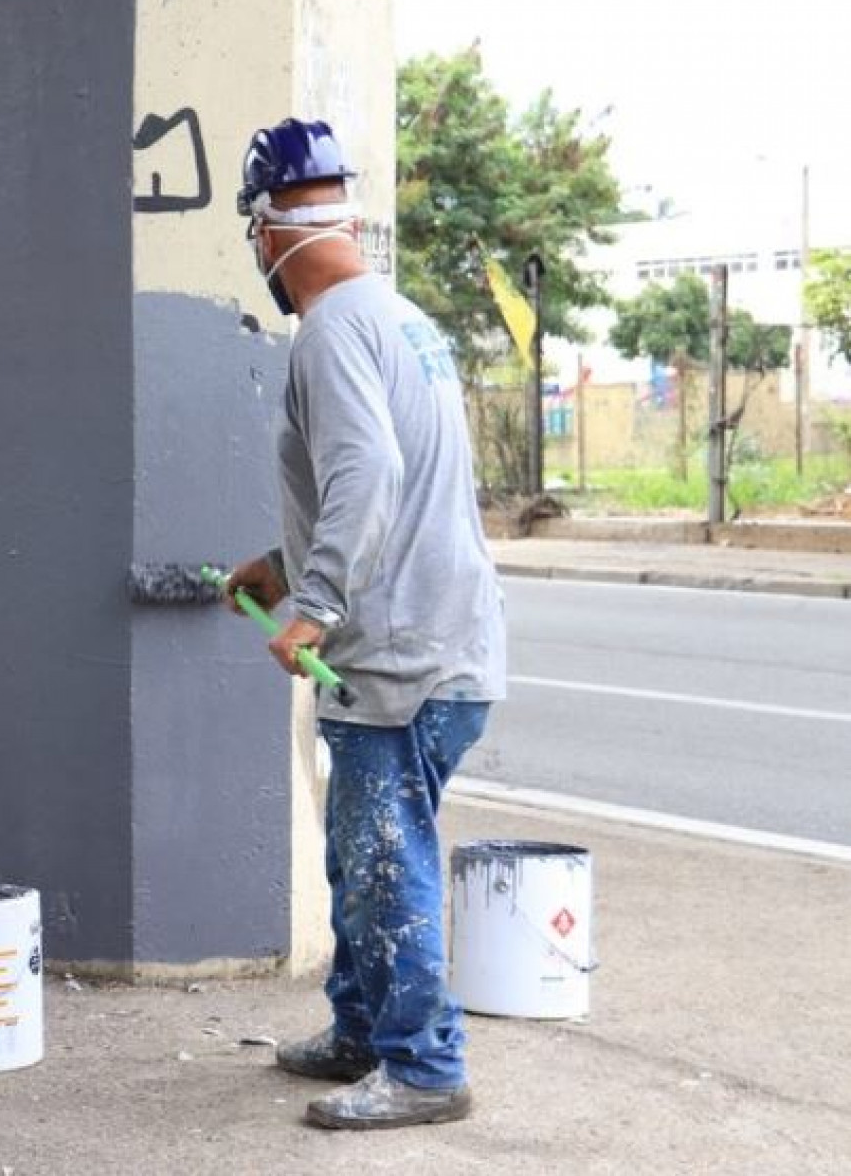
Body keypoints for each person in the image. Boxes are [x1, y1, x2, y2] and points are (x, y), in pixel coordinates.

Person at [223, 119, 506, 1131]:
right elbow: (399, 482)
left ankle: (424, 1066)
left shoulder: (331, 330)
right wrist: (282, 563)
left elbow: (370, 473)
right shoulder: (395, 315)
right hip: (441, 642)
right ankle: (359, 1028)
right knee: (360, 854)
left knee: (387, 866)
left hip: (397, 660)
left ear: (267, 232)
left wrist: (312, 608)